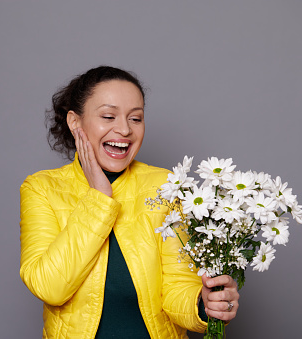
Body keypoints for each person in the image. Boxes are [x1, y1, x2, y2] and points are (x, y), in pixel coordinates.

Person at [19, 66, 240, 338]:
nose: (124, 129)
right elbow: (50, 287)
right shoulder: (41, 188)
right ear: (75, 122)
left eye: (135, 118)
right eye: (108, 116)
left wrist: (205, 305)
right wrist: (99, 196)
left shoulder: (167, 186)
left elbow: (176, 289)